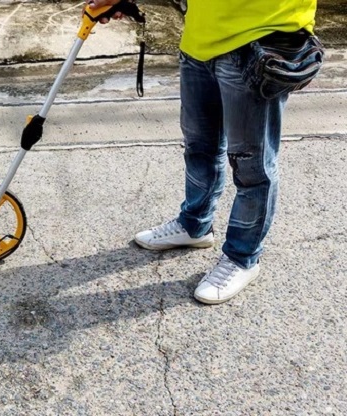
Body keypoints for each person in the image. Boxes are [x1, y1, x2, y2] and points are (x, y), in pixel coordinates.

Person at [87, 0, 320, 304]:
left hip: (259, 40)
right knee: (199, 148)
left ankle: (243, 258)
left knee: (252, 166)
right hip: (200, 39)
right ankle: (195, 225)